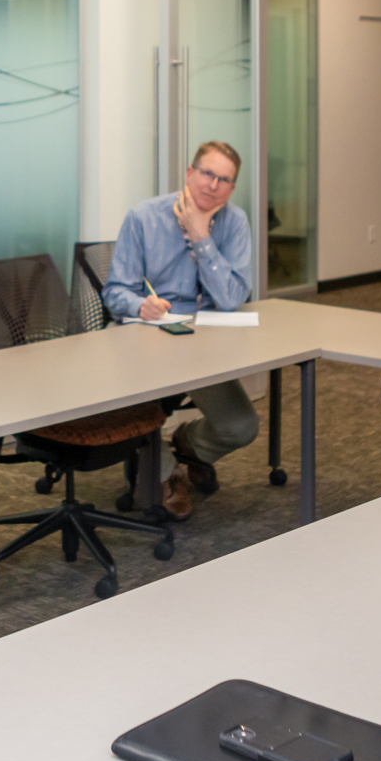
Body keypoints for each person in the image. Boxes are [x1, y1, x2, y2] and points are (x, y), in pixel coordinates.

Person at [103, 140, 256, 520]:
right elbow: (115, 291)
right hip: (148, 339)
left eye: (224, 180)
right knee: (140, 410)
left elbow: (232, 297)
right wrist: (141, 304)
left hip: (204, 345)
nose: (213, 185)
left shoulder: (234, 222)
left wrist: (201, 237)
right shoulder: (143, 217)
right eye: (207, 173)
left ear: (231, 189)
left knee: (241, 426)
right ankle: (167, 474)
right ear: (189, 174)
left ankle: (186, 444)